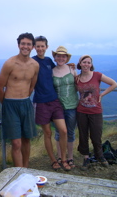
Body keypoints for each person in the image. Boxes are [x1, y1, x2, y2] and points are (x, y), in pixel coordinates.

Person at [0, 32, 39, 167]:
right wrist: (6, 103)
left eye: (28, 44)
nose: (25, 46)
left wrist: (25, 99)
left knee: (27, 139)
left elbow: (32, 86)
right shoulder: (10, 63)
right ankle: (18, 172)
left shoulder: (35, 65)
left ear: (32, 47)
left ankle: (25, 169)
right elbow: (0, 87)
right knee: (16, 142)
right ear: (18, 45)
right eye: (23, 44)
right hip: (10, 104)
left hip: (26, 103)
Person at [32, 36, 71, 171]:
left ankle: (64, 159)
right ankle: (54, 160)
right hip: (41, 102)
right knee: (47, 133)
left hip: (54, 100)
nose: (40, 48)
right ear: (34, 47)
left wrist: (69, 66)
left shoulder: (49, 60)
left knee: (63, 130)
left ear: (46, 47)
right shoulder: (32, 62)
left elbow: (59, 70)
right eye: (38, 46)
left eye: (42, 46)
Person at [75, 55, 117, 171]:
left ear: (91, 64)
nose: (86, 64)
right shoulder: (77, 78)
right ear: (80, 64)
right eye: (84, 62)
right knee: (83, 136)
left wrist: (102, 95)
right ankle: (86, 157)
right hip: (81, 111)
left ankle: (100, 155)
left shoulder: (97, 75)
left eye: (89, 62)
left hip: (96, 111)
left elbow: (114, 84)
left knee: (96, 135)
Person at [52, 46, 79, 168]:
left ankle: (70, 157)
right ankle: (59, 156)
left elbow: (78, 84)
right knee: (59, 132)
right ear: (55, 57)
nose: (61, 58)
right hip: (58, 107)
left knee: (70, 132)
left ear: (66, 58)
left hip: (72, 105)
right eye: (58, 56)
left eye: (63, 56)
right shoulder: (51, 71)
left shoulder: (72, 69)